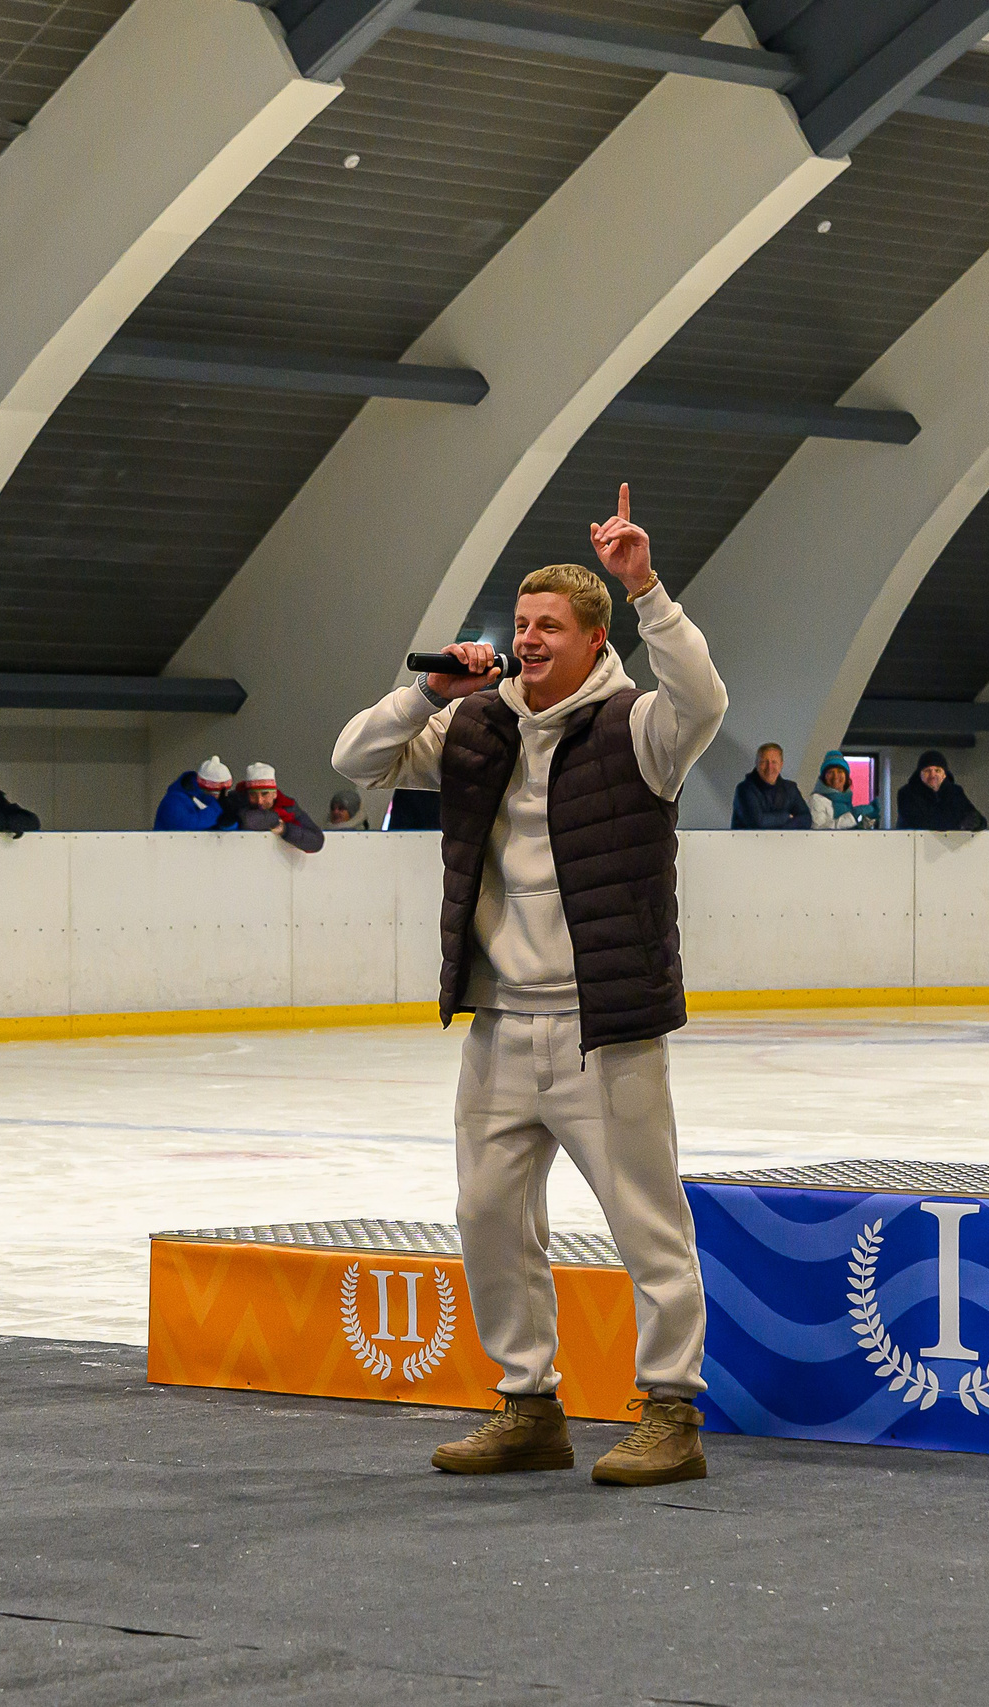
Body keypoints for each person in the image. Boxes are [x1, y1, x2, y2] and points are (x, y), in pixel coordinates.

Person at [334, 482, 724, 1489]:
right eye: (520, 625)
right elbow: (353, 756)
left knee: (646, 1222)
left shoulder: (641, 729)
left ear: (597, 641)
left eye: (550, 625)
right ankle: (528, 1407)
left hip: (606, 1027)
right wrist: (429, 692)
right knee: (487, 1217)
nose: (530, 638)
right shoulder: (473, 730)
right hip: (500, 1027)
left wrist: (646, 588)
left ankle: (670, 1411)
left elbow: (705, 698)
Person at [225, 762, 324, 852]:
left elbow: (317, 841)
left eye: (264, 794)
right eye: (253, 795)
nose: (259, 801)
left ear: (275, 794)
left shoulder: (288, 807)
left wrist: (285, 830)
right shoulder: (237, 801)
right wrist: (275, 820)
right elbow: (249, 820)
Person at [893, 750, 986, 832]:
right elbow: (919, 822)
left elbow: (973, 815)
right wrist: (958, 824)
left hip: (952, 847)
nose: (932, 775)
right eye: (927, 771)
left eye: (937, 770)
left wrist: (977, 822)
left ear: (944, 774)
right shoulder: (907, 793)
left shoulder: (955, 792)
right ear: (919, 774)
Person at [730, 743, 809, 829]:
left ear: (781, 764)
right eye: (764, 762)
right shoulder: (744, 790)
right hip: (749, 842)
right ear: (756, 764)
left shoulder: (790, 789)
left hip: (783, 842)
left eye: (774, 762)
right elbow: (757, 822)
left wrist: (782, 829)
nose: (769, 767)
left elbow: (806, 819)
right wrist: (786, 817)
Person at [154, 755, 235, 829]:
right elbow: (185, 826)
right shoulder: (174, 801)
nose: (219, 796)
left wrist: (229, 823)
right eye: (216, 791)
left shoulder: (211, 803)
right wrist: (216, 809)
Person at [808, 750, 876, 829]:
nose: (835, 776)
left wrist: (864, 824)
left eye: (840, 772)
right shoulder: (817, 799)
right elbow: (819, 830)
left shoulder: (846, 800)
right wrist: (852, 816)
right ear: (824, 777)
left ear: (846, 777)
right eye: (830, 772)